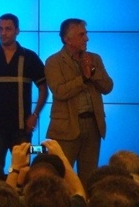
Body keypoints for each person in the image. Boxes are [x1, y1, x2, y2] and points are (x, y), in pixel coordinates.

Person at [0, 13, 48, 170]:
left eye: (8, 29)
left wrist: (35, 114)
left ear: (17, 31)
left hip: (22, 128)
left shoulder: (29, 57)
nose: (3, 33)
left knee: (22, 171)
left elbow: (44, 89)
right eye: (0, 29)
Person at [45, 18, 113, 187]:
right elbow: (60, 91)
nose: (86, 38)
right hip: (66, 127)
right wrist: (83, 78)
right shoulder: (53, 62)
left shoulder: (95, 59)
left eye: (86, 34)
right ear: (67, 39)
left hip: (93, 125)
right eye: (82, 35)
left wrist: (93, 71)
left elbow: (108, 87)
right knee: (61, 176)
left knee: (89, 178)